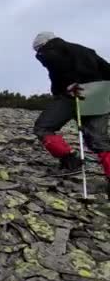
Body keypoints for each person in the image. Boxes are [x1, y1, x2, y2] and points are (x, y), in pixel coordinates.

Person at [32, 31, 110, 179]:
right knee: (99, 140)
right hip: (99, 95)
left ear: (42, 44)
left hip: (73, 93)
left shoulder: (48, 51)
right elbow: (107, 70)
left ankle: (70, 161)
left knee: (43, 128)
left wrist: (69, 83)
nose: (37, 54)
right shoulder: (85, 50)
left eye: (37, 49)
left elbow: (59, 65)